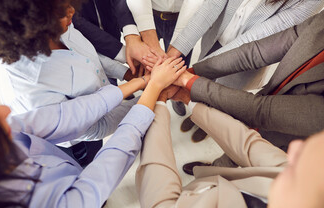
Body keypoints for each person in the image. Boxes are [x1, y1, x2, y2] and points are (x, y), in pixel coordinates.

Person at [0, 0, 145, 167]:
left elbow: (88, 57)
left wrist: (129, 73)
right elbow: (96, 127)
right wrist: (147, 98)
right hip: (77, 147)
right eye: (61, 11)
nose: (72, 12)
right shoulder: (31, 87)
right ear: (31, 23)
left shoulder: (56, 24)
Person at [0, 55, 186, 207]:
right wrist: (155, 89)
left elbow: (68, 114)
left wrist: (143, 81)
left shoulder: (0, 135)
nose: (3, 109)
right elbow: (112, 159)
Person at [172, 10, 324, 171]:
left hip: (290, 142)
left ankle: (219, 174)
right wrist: (194, 72)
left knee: (250, 161)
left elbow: (260, 111)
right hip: (270, 99)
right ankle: (215, 168)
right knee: (238, 140)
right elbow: (256, 52)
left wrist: (187, 81)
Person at [136, 88, 324, 208]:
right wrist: (190, 101)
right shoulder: (291, 179)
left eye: (301, 167)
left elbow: (159, 200)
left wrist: (158, 102)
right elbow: (248, 145)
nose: (296, 145)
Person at [167, 0, 324, 90]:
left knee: (219, 97)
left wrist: (191, 73)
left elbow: (258, 37)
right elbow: (213, 3)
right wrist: (172, 55)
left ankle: (202, 124)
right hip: (215, 38)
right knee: (197, 88)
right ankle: (194, 113)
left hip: (247, 59)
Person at [121, 0, 221, 116]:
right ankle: (150, 98)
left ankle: (176, 97)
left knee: (178, 64)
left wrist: (171, 55)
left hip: (185, 17)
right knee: (147, 62)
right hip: (147, 12)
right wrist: (150, 39)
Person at [73, 0, 153, 76]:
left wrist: (131, 36)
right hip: (80, 49)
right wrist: (126, 53)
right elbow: (75, 20)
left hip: (112, 33)